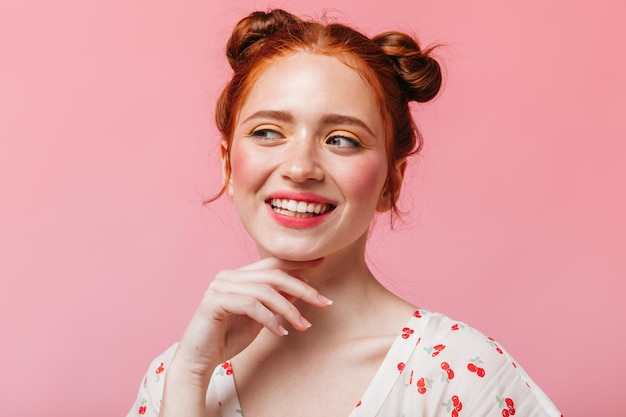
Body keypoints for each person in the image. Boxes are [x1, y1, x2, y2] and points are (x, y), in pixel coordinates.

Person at [128, 9, 562, 417]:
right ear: (227, 163)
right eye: (267, 132)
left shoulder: (459, 376)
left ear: (391, 182)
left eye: (341, 139)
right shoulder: (176, 377)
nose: (300, 168)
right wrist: (189, 376)